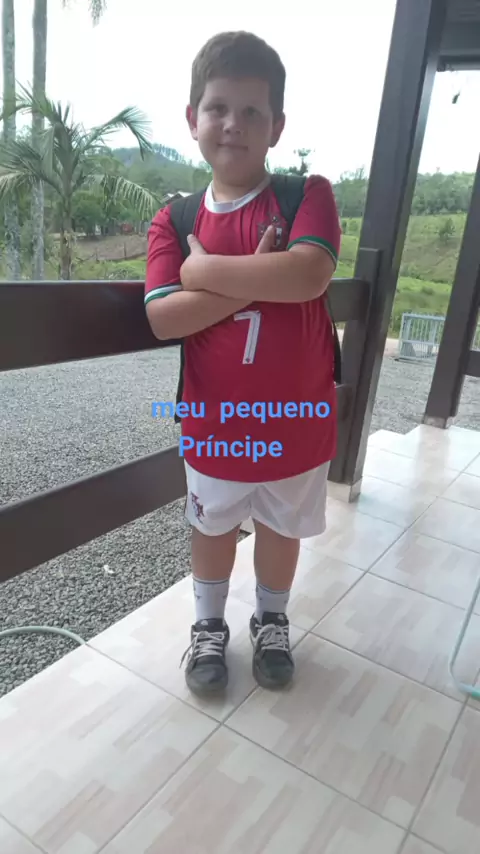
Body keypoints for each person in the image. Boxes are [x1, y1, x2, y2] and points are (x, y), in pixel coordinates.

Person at [144, 30, 341, 697]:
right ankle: (208, 626)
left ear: (277, 126)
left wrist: (204, 273)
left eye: (253, 111)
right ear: (192, 118)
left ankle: (272, 619)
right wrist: (257, 275)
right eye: (218, 108)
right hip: (215, 421)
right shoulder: (175, 219)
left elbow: (308, 274)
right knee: (212, 523)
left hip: (296, 420)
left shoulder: (305, 195)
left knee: (283, 528)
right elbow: (163, 317)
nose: (234, 123)